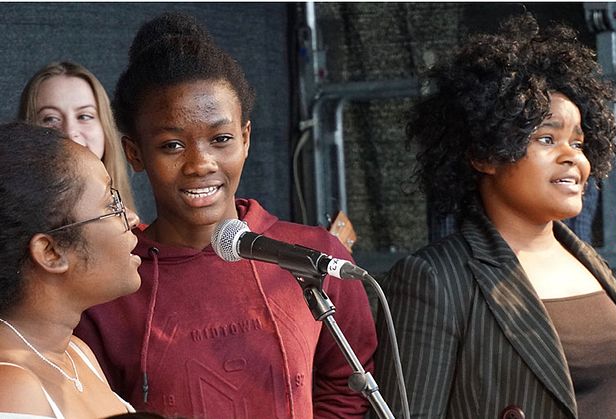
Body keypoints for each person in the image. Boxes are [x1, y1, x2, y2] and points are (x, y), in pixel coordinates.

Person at [74, 12, 377, 418]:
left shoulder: (314, 255)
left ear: (246, 139)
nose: (201, 163)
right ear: (134, 154)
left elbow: (347, 387)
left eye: (221, 139)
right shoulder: (111, 286)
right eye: (172, 145)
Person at [374, 13, 616, 419]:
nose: (573, 156)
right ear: (485, 153)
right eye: (546, 137)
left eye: (579, 141)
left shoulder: (594, 264)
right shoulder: (434, 279)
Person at [0, 122, 140, 417]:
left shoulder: (77, 353)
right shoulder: (12, 387)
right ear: (50, 253)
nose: (132, 217)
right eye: (111, 204)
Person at [18, 61, 137, 210]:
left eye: (84, 116)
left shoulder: (139, 232)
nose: (69, 133)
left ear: (105, 129)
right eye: (50, 119)